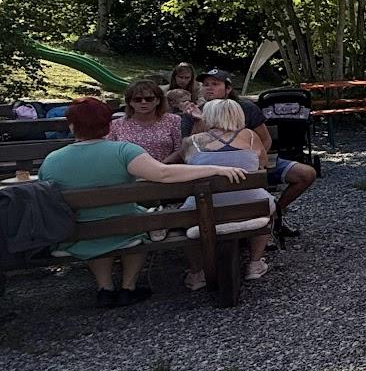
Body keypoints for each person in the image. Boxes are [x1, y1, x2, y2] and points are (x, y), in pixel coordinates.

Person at [38, 97, 248, 306]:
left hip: (79, 232)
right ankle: (128, 287)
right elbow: (164, 174)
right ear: (109, 124)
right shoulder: (124, 151)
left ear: (72, 126)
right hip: (127, 229)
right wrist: (216, 169)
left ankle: (105, 288)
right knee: (142, 224)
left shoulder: (52, 159)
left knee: (101, 225)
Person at [199, 69, 315, 239]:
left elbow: (265, 140)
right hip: (214, 168)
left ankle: (275, 217)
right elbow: (191, 147)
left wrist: (258, 161)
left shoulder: (246, 108)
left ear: (228, 89)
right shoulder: (197, 112)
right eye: (205, 85)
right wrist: (197, 120)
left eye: (215, 84)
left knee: (306, 174)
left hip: (251, 163)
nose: (209, 88)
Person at [179, 99, 274, 288]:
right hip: (250, 206)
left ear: (209, 116)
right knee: (265, 204)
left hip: (204, 208)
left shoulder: (192, 141)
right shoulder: (250, 136)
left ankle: (197, 273)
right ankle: (255, 263)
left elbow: (186, 163)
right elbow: (263, 164)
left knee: (183, 217)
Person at [107, 80, 182, 163]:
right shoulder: (116, 124)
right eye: (137, 99)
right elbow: (110, 152)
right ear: (130, 102)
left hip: (164, 170)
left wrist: (160, 167)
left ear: (158, 100)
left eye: (149, 99)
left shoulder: (173, 121)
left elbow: (180, 150)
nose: (143, 102)